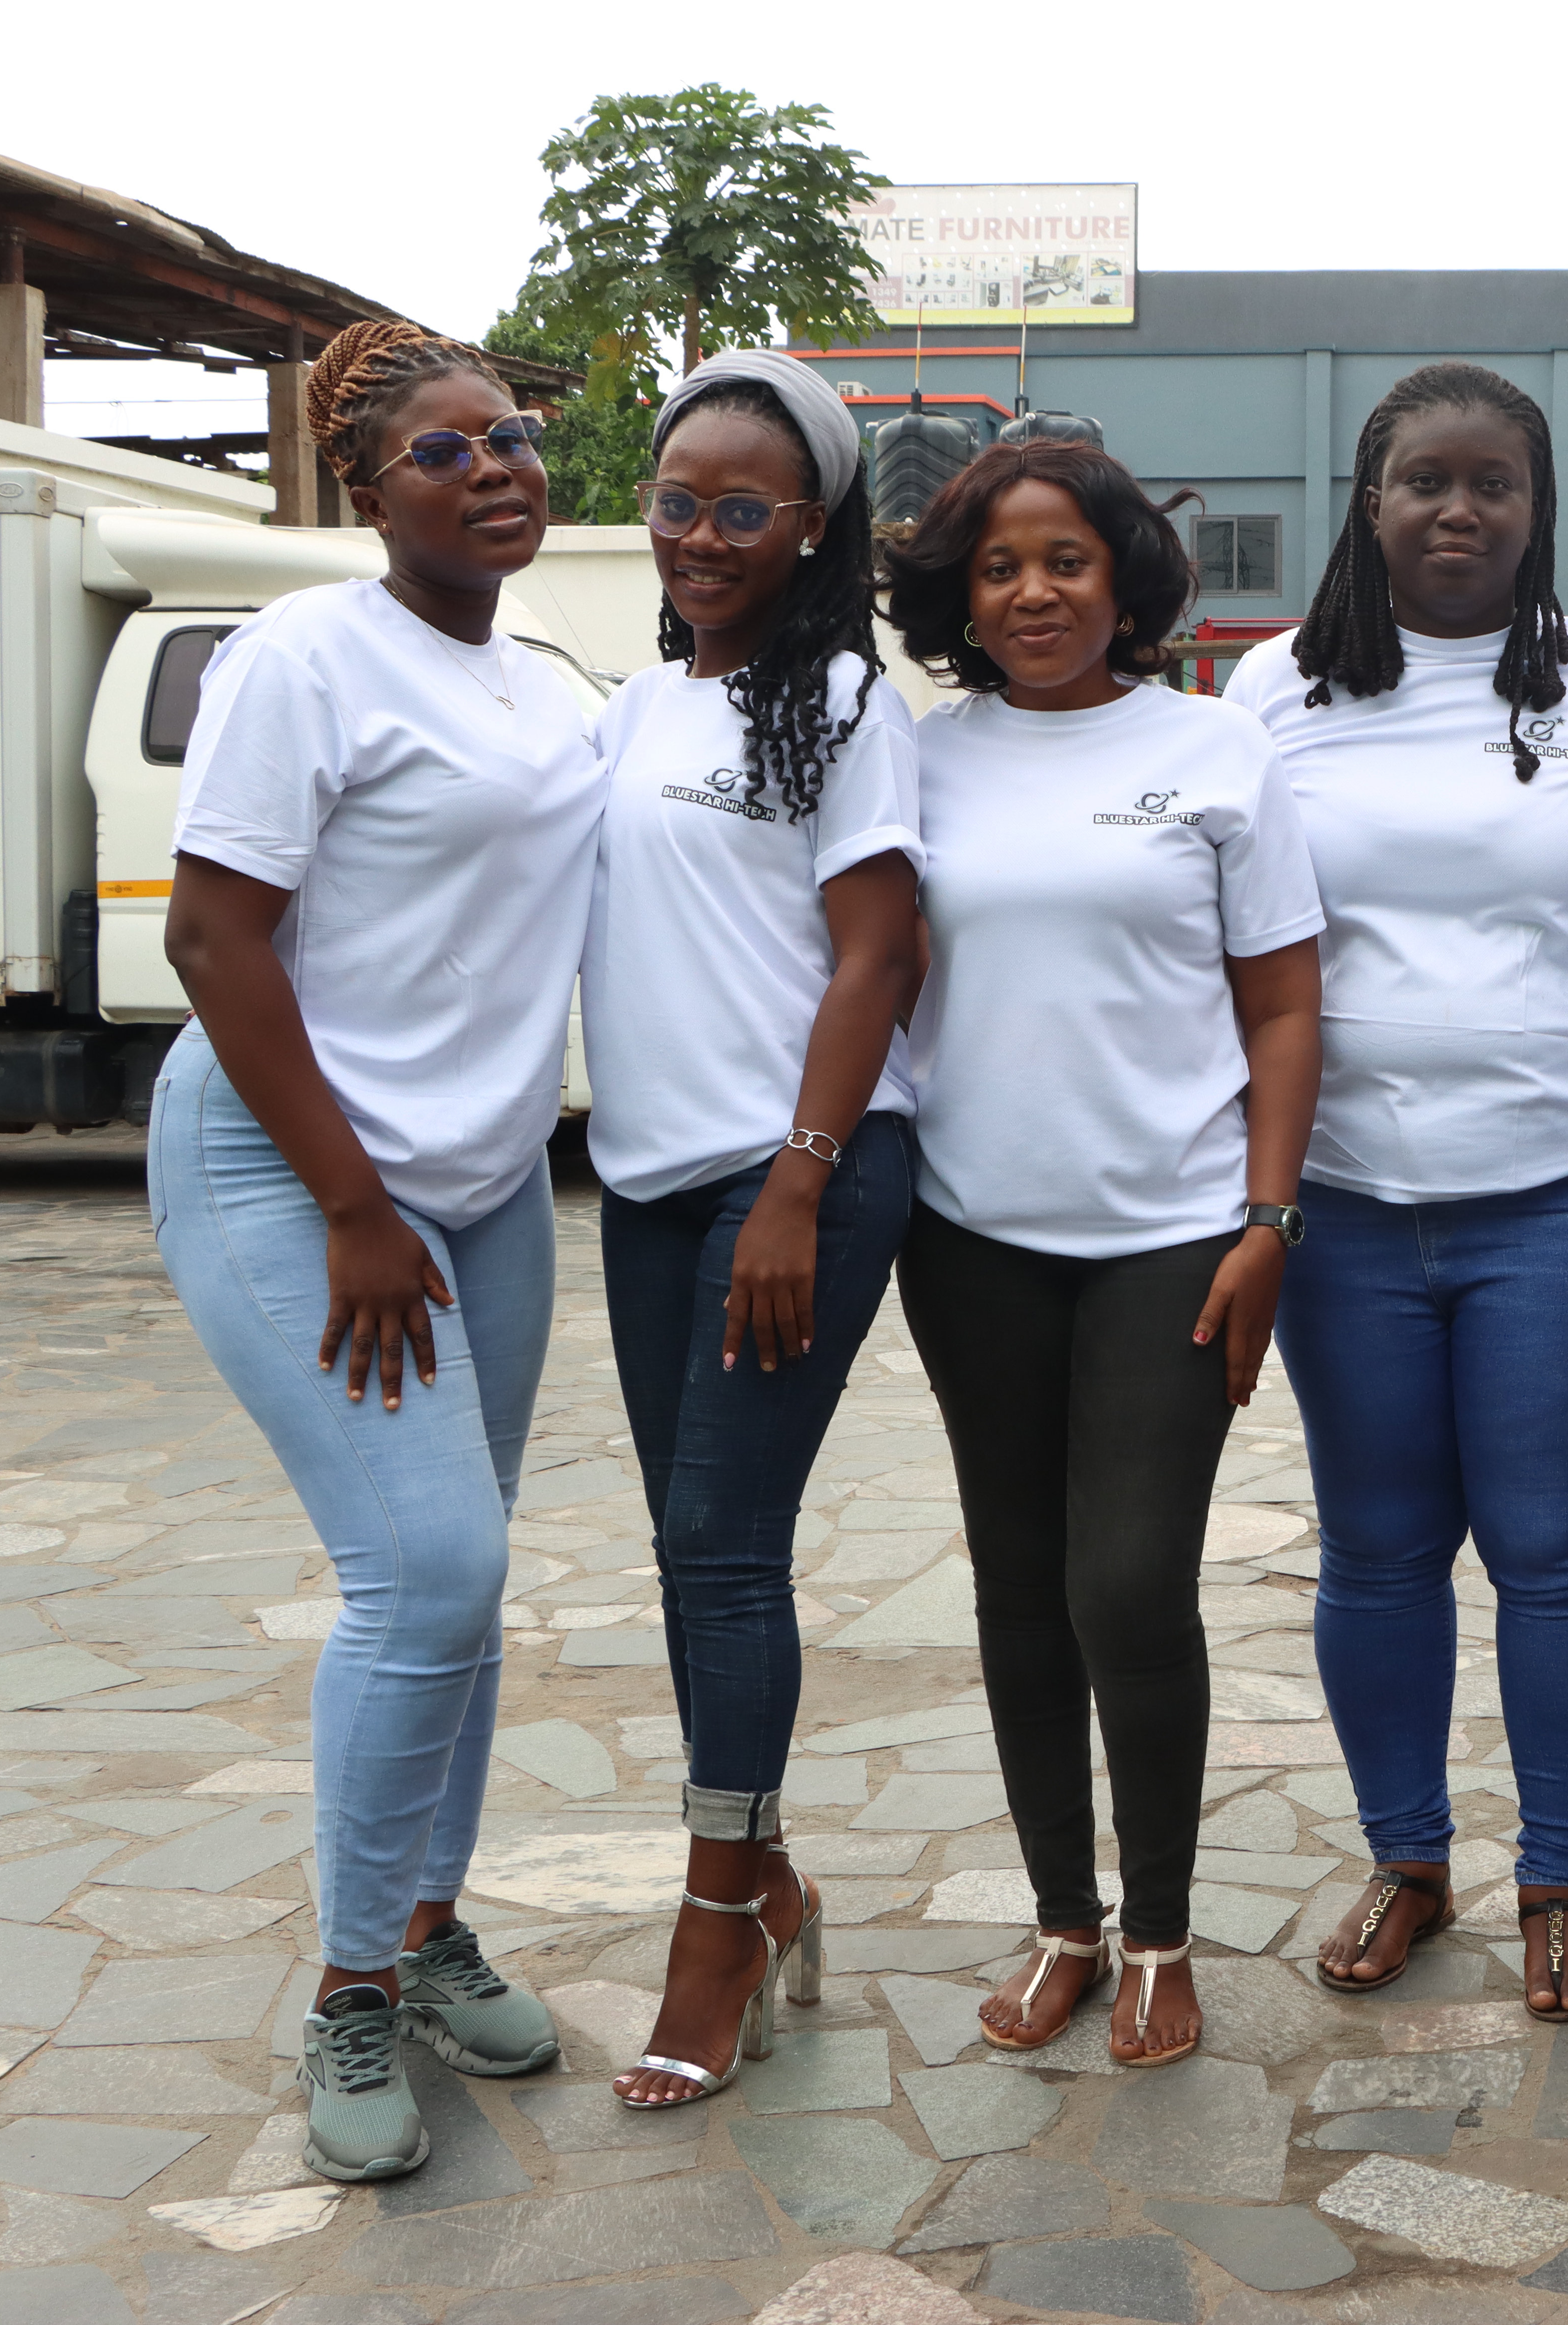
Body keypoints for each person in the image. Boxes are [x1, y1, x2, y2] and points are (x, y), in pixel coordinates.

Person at [153, 319, 587, 2182]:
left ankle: (426, 1934)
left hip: (480, 1196)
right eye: (444, 452)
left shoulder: (554, 688)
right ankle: (345, 1987)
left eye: (510, 442)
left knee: (466, 1593)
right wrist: (350, 1204)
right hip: (295, 1173)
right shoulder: (303, 657)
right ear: (366, 487)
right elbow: (214, 940)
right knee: (426, 1569)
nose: (494, 469)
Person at [1227, 363, 1568, 2021]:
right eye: (1426, 477)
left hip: (1564, 1192)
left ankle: (1560, 1877)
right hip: (1341, 1203)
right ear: (1371, 497)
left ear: (1536, 505)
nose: (1460, 508)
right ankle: (1408, 1858)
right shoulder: (1273, 694)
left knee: (1560, 1553)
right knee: (1378, 1550)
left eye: (1495, 481)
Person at [883, 438, 1324, 2067]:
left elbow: (1283, 1002)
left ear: (1123, 573)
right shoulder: (925, 758)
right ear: (964, 596)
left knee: (1127, 1584)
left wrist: (1270, 1221)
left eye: (1064, 559)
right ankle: (1063, 1921)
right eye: (999, 567)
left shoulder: (1214, 750)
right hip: (973, 1236)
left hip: (1175, 1236)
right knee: (1019, 1588)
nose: (1033, 592)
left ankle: (1159, 1934)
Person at [587, 352, 925, 2107]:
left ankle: (720, 1915)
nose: (701, 536)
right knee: (684, 1549)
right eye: (676, 502)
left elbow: (879, 955)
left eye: (742, 510)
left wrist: (801, 1174)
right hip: (644, 1184)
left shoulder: (849, 704)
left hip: (792, 1180)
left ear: (813, 531)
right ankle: (772, 1870)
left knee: (725, 1546)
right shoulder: (633, 711)